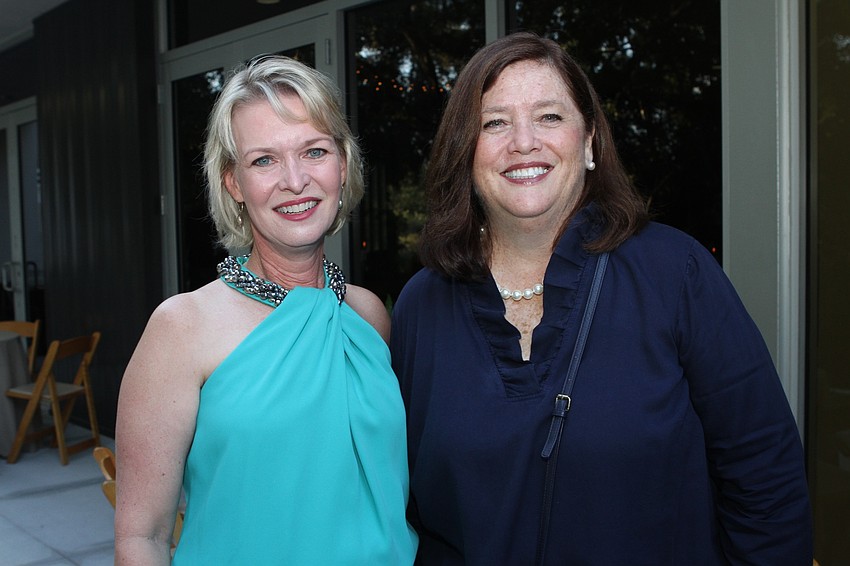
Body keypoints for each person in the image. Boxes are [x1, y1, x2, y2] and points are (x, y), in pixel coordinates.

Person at [391, 32, 812, 565]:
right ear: (464, 151)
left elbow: (766, 478)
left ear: (589, 141)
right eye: (494, 122)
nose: (523, 142)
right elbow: (405, 503)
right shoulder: (422, 306)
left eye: (549, 117)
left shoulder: (674, 274)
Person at [114, 55, 418, 565]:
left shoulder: (368, 315)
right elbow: (142, 537)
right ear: (233, 183)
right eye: (264, 160)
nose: (295, 180)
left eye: (314, 151)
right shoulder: (181, 328)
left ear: (342, 165)